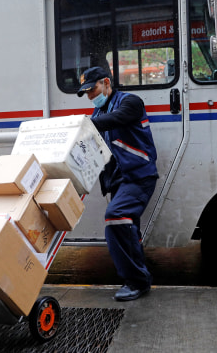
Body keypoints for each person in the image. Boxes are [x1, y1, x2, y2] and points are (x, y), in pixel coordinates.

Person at [77, 66, 158, 301]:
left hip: (138, 176)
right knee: (128, 226)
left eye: (92, 90)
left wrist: (84, 125)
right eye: (87, 94)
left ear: (106, 82)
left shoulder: (130, 102)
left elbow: (115, 119)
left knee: (117, 216)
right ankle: (139, 277)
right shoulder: (98, 114)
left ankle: (137, 281)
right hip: (118, 181)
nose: (91, 96)